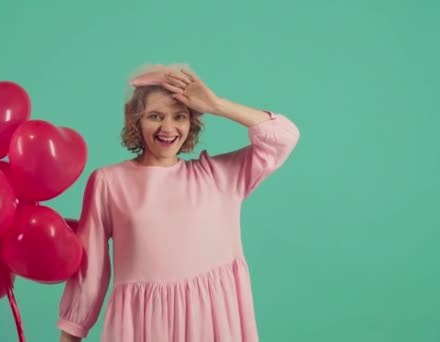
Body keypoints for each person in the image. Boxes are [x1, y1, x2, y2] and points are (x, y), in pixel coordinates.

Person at [57, 63, 300, 342]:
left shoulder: (219, 176)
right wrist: (70, 335)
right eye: (155, 116)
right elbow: (91, 268)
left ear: (191, 121)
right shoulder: (109, 182)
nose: (168, 128)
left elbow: (284, 137)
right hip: (142, 327)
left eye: (179, 116)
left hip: (212, 324)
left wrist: (217, 104)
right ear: (136, 120)